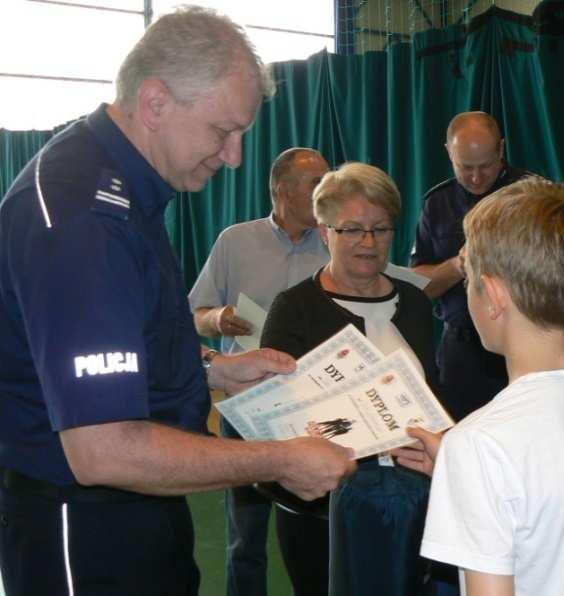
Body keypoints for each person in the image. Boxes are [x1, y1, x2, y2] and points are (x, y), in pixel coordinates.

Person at [0, 7, 355, 595]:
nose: (235, 155)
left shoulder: (126, 188)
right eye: (223, 132)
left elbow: (125, 344)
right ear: (156, 101)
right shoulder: (83, 215)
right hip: (84, 527)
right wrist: (277, 459)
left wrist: (216, 367)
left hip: (140, 508)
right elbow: (103, 450)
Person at [395, 179, 564, 596]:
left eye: (469, 282)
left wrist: (467, 461)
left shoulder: (480, 443)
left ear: (493, 294)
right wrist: (458, 467)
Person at [261, 162, 437, 596]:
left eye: (380, 229)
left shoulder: (414, 302)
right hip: (324, 510)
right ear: (325, 232)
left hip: (415, 505)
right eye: (352, 229)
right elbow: (273, 414)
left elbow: (437, 393)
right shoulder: (294, 308)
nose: (368, 242)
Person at [189, 147, 330, 596]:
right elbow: (196, 313)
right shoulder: (235, 241)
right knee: (246, 533)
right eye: (315, 184)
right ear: (280, 189)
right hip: (246, 408)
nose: (325, 191)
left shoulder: (335, 243)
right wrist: (219, 319)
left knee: (317, 530)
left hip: (314, 407)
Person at [410, 111, 530, 421]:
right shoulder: (437, 203)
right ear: (448, 153)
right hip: (461, 350)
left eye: (486, 166)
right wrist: (458, 265)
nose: (476, 178)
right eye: (465, 167)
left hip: (523, 342)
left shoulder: (533, 196)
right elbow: (417, 287)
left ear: (501, 150)